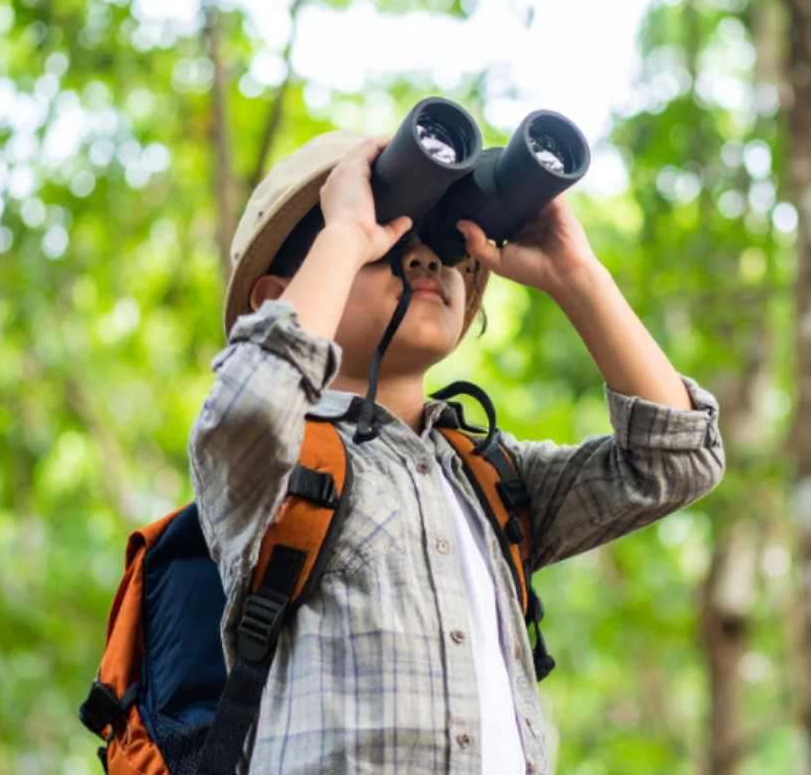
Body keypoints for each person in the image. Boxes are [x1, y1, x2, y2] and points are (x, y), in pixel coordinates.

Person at [189, 131, 725, 775]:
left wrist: (578, 277)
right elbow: (248, 402)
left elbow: (675, 459)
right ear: (276, 295)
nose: (420, 260)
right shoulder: (278, 465)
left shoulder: (488, 477)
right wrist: (345, 233)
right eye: (384, 245)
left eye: (438, 244)